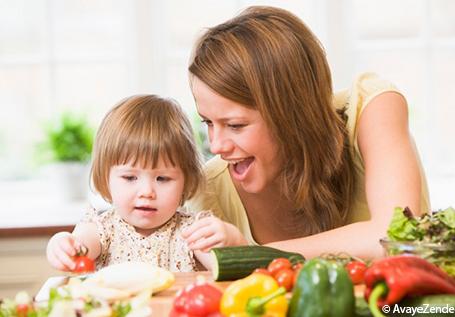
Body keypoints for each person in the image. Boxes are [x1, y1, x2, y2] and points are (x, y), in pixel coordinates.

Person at [183, 6, 430, 260]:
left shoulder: (372, 109)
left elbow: (398, 239)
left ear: (291, 113)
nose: (216, 146)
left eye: (235, 125)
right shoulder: (211, 191)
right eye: (208, 123)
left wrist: (252, 254)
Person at [46, 95, 246, 272]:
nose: (147, 192)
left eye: (162, 179)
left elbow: (226, 267)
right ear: (105, 178)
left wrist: (232, 240)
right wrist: (62, 245)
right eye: (130, 178)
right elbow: (79, 247)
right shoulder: (103, 229)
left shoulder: (191, 232)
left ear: (186, 181)